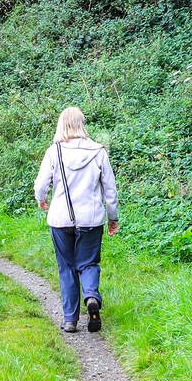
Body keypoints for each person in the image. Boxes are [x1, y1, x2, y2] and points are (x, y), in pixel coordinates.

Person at [33, 107, 119, 333]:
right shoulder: (98, 151)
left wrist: (41, 199)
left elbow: (41, 185)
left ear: (61, 124)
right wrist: (113, 217)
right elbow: (110, 190)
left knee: (67, 267)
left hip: (61, 219)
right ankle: (91, 297)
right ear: (82, 124)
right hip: (91, 219)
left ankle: (70, 319)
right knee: (89, 263)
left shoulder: (55, 151)